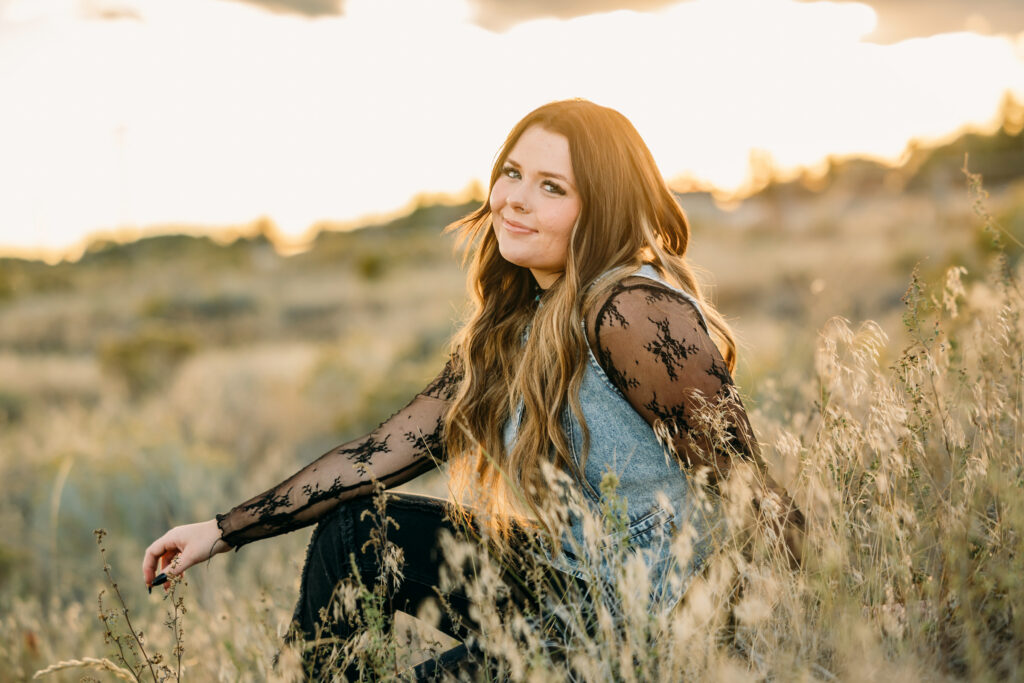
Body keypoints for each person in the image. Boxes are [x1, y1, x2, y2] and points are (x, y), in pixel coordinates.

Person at [142, 99, 802, 678]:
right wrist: (221, 531)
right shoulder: (519, 326)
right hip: (563, 583)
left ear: (600, 207)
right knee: (358, 534)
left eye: (551, 186)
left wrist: (811, 629)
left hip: (637, 629)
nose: (514, 198)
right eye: (511, 173)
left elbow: (748, 488)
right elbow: (379, 454)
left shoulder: (631, 309)